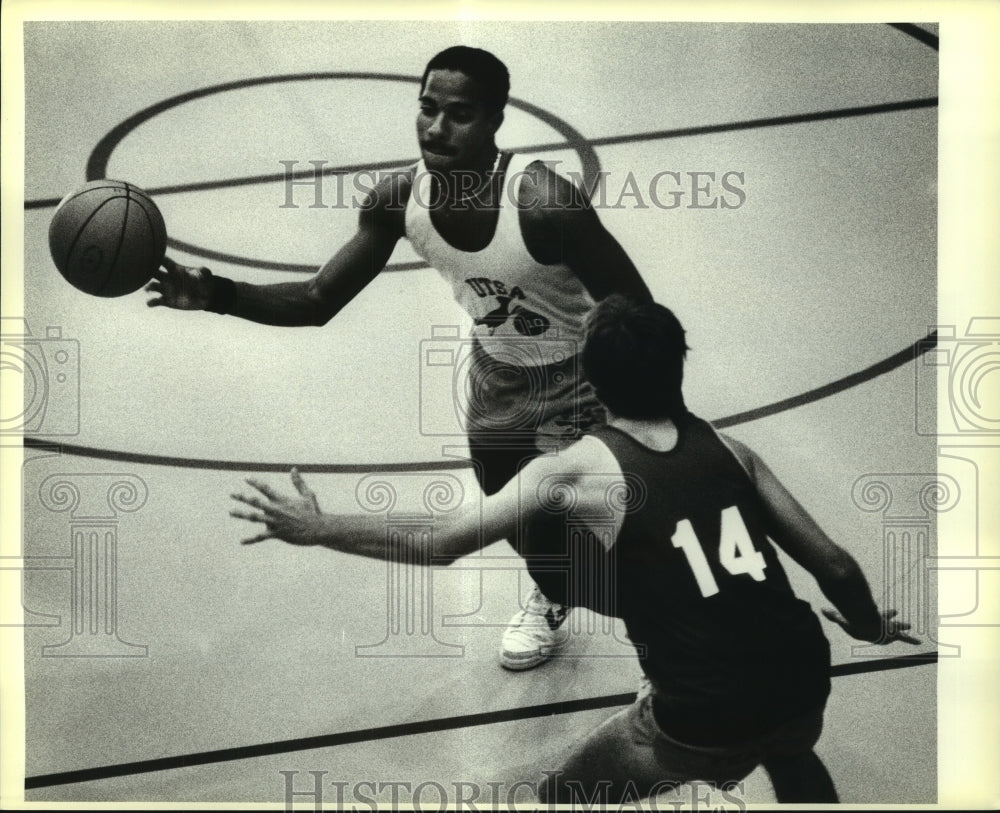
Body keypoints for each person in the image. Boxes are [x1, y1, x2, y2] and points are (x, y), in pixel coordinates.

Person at [230, 294, 919, 804]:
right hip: (802, 678)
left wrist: (321, 527)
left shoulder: (576, 468)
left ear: (591, 379)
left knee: (563, 794)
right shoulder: (735, 450)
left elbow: (443, 543)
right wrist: (869, 626)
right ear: (679, 364)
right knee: (789, 751)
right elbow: (835, 566)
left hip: (701, 710)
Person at [146, 45, 651, 671]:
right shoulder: (398, 201)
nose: (437, 128)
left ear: (495, 121)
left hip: (579, 377)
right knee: (526, 529)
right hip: (498, 381)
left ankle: (667, 645)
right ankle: (555, 596)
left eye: (459, 114)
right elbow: (316, 299)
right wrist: (217, 294)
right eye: (428, 108)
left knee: (611, 534)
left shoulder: (547, 206)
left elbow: (639, 312)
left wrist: (650, 420)